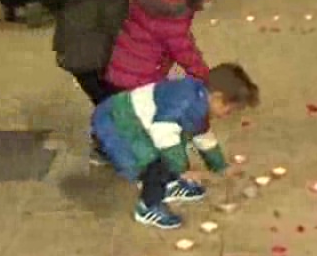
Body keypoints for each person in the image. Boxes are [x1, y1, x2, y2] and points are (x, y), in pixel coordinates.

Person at [92, 63, 259, 229]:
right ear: (217, 98)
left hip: (132, 121)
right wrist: (182, 170)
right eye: (229, 110)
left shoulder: (198, 100)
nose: (227, 116)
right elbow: (164, 135)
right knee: (154, 160)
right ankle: (148, 206)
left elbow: (202, 135)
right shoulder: (185, 104)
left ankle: (170, 184)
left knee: (172, 150)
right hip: (119, 123)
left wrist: (220, 166)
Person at [106, 0, 224, 92]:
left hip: (121, 64)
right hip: (139, 79)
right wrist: (206, 78)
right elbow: (186, 54)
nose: (211, 3)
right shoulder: (174, 18)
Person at [53, 0, 145, 105]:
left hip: (72, 56)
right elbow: (122, 35)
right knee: (114, 103)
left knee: (107, 101)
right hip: (89, 61)